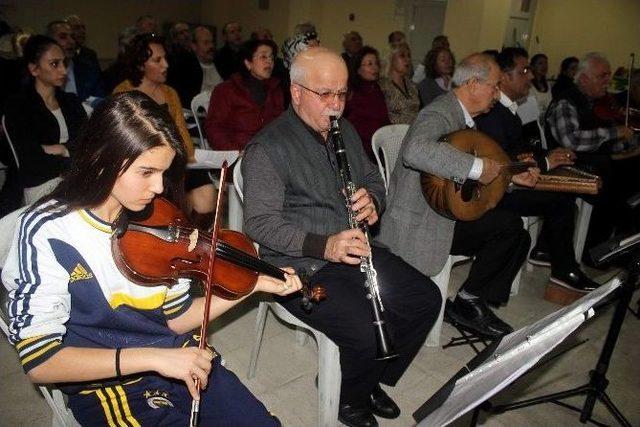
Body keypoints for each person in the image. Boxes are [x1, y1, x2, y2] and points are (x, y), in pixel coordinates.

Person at [1, 91, 303, 426]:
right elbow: (40, 362)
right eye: (146, 172)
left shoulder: (161, 218)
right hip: (109, 384)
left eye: (163, 172)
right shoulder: (48, 231)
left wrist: (251, 285)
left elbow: (174, 320)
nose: (159, 188)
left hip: (180, 355)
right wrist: (155, 359)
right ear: (103, 157)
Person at [241, 46, 441, 427]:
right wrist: (324, 245)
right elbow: (260, 224)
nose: (336, 105)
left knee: (424, 300)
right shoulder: (267, 148)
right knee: (366, 330)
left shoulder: (343, 128)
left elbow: (370, 178)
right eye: (326, 94)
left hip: (355, 248)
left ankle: (366, 378)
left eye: (342, 93)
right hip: (300, 266)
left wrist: (374, 201)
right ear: (296, 92)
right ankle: (349, 402)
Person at [377, 53, 537, 338]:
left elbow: (464, 180)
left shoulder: (466, 119)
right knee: (509, 227)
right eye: (494, 86)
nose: (497, 94)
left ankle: (470, 300)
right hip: (420, 221)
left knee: (516, 232)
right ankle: (468, 302)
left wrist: (507, 177)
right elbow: (416, 151)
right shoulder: (439, 113)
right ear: (474, 83)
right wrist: (476, 167)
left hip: (445, 213)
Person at [475, 47, 599, 292]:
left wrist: (549, 156)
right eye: (523, 70)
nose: (530, 76)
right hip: (495, 189)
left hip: (510, 181)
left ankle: (546, 251)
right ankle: (563, 270)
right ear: (505, 77)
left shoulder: (508, 110)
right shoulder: (492, 112)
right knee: (560, 202)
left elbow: (521, 150)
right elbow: (503, 162)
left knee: (564, 196)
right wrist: (545, 163)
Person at [113, 33, 216, 227]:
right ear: (140, 65)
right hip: (141, 164)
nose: (165, 65)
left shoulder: (170, 93)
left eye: (165, 59)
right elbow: (124, 142)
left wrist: (179, 156)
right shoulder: (123, 92)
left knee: (207, 193)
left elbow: (183, 137)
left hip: (173, 160)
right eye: (157, 60)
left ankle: (190, 239)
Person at [545, 52, 637, 258]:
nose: (608, 81)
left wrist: (623, 145)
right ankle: (595, 251)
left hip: (593, 163)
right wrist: (613, 133)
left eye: (609, 76)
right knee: (615, 189)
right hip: (571, 167)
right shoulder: (566, 102)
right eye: (602, 76)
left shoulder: (594, 103)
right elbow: (571, 140)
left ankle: (617, 243)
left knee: (631, 175)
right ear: (584, 78)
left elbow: (601, 144)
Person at [3, 35, 87, 204]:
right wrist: (72, 155)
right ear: (34, 69)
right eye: (54, 64)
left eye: (64, 63)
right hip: (39, 186)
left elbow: (88, 145)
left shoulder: (71, 102)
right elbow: (32, 164)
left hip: (75, 180)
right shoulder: (19, 107)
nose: (63, 70)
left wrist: (61, 149)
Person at [204, 39, 284, 151]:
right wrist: (234, 152)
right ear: (248, 63)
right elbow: (214, 128)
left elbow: (280, 125)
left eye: (271, 57)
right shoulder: (226, 90)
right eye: (263, 57)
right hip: (237, 154)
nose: (269, 62)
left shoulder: (275, 89)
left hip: (269, 152)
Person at [344, 45, 390, 161]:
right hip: (361, 148)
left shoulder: (376, 89)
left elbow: (383, 119)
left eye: (376, 63)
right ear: (358, 69)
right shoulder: (351, 92)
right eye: (370, 64)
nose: (375, 68)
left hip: (380, 145)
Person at [47, 20, 104, 102]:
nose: (71, 42)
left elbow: (101, 100)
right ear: (49, 42)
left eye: (73, 37)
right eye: (63, 37)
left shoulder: (89, 70)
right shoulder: (41, 73)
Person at [379, 42, 420, 125]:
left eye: (409, 56)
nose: (407, 59)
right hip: (393, 133)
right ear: (390, 58)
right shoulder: (382, 86)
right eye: (402, 56)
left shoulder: (412, 86)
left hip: (415, 131)